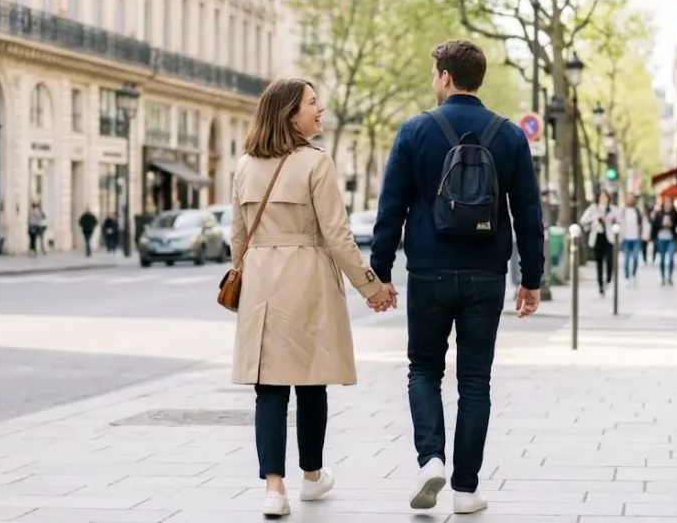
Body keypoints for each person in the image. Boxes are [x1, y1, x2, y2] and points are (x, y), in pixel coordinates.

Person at [370, 40, 542, 516]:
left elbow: (391, 208)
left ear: (445, 77)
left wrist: (380, 273)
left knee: (424, 369)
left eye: (435, 74)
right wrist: (531, 278)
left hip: (428, 270)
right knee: (475, 381)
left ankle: (431, 459)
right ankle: (466, 490)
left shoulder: (415, 131)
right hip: (486, 274)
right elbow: (528, 213)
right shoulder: (510, 136)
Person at [229, 78, 394, 518]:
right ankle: (312, 476)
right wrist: (372, 286)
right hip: (307, 278)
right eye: (312, 103)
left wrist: (246, 276)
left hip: (261, 282)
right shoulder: (316, 163)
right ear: (290, 114)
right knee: (310, 379)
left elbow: (238, 239)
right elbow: (338, 236)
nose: (320, 110)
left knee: (268, 386)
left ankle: (273, 489)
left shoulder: (244, 165)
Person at [578, 190, 618, 295]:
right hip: (597, 237)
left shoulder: (613, 209)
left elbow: (620, 221)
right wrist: (596, 217)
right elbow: (583, 220)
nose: (603, 199)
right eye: (601, 197)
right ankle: (600, 285)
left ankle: (608, 280)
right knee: (599, 262)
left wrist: (613, 219)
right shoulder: (593, 208)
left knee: (610, 261)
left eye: (605, 197)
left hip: (609, 238)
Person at [650, 197, 677, 286]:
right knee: (662, 259)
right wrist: (662, 225)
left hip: (671, 238)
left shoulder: (674, 214)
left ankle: (670, 276)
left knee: (671, 257)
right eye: (666, 203)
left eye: (669, 203)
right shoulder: (658, 214)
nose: (668, 205)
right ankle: (663, 277)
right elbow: (654, 226)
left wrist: (673, 225)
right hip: (661, 238)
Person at [618, 193, 642, 280]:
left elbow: (640, 224)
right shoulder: (622, 211)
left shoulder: (637, 211)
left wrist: (641, 234)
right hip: (626, 238)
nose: (630, 200)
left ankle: (634, 273)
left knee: (635, 257)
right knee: (626, 258)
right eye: (628, 198)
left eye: (631, 198)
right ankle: (627, 276)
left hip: (636, 238)